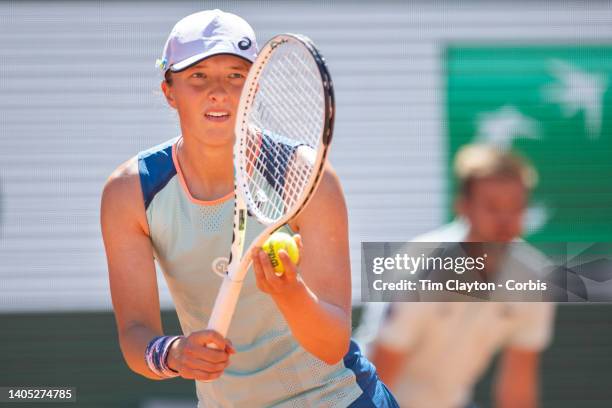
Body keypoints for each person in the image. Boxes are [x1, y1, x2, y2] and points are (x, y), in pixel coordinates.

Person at [100, 9, 397, 408]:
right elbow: (136, 334)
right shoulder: (129, 192)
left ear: (254, 87)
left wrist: (289, 292)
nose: (218, 91)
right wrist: (173, 353)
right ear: (170, 92)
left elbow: (330, 345)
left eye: (235, 76)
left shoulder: (306, 175)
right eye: (197, 76)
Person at [366, 144, 556, 408]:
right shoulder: (423, 267)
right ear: (463, 206)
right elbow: (381, 370)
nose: (505, 218)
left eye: (515, 206)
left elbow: (517, 387)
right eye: (492, 206)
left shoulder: (533, 277)